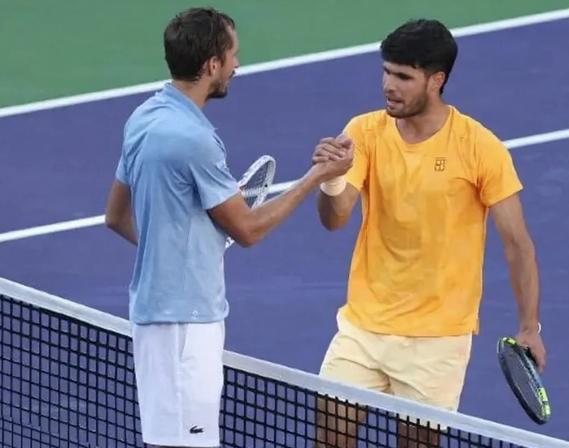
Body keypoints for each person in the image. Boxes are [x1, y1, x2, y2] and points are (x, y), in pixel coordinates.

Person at [104, 7, 352, 448]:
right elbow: (249, 230)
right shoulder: (195, 139)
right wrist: (314, 177)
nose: (237, 64)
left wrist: (181, 250)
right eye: (233, 55)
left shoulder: (143, 117)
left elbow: (116, 217)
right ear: (211, 64)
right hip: (187, 322)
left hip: (153, 315)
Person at [313, 18, 546, 447]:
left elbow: (517, 245)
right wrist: (330, 179)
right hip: (363, 327)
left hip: (437, 340)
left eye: (403, 76)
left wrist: (529, 326)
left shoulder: (480, 147)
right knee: (328, 439)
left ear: (436, 80)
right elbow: (335, 218)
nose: (388, 85)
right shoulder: (363, 131)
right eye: (386, 71)